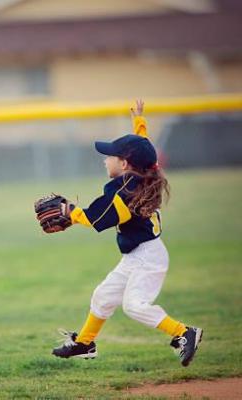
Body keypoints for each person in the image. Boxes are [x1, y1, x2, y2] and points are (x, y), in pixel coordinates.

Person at [50, 100, 203, 367]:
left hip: (149, 257)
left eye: (109, 156)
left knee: (134, 306)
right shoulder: (143, 172)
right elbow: (146, 151)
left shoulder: (124, 191)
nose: (104, 159)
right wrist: (139, 123)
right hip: (138, 254)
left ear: (124, 163)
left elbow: (95, 218)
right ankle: (85, 343)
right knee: (103, 295)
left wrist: (68, 211)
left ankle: (183, 333)